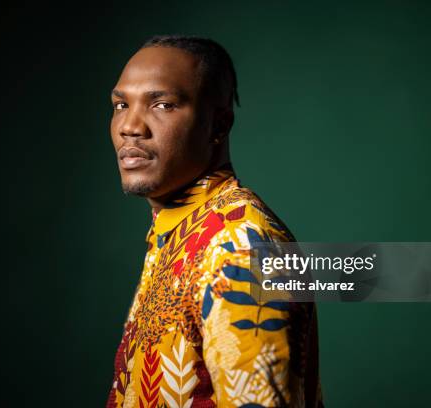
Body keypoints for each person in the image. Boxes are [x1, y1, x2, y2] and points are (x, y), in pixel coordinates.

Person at [106, 35, 323, 408]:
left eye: (162, 104)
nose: (131, 126)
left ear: (218, 124)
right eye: (121, 104)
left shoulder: (240, 243)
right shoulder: (175, 231)